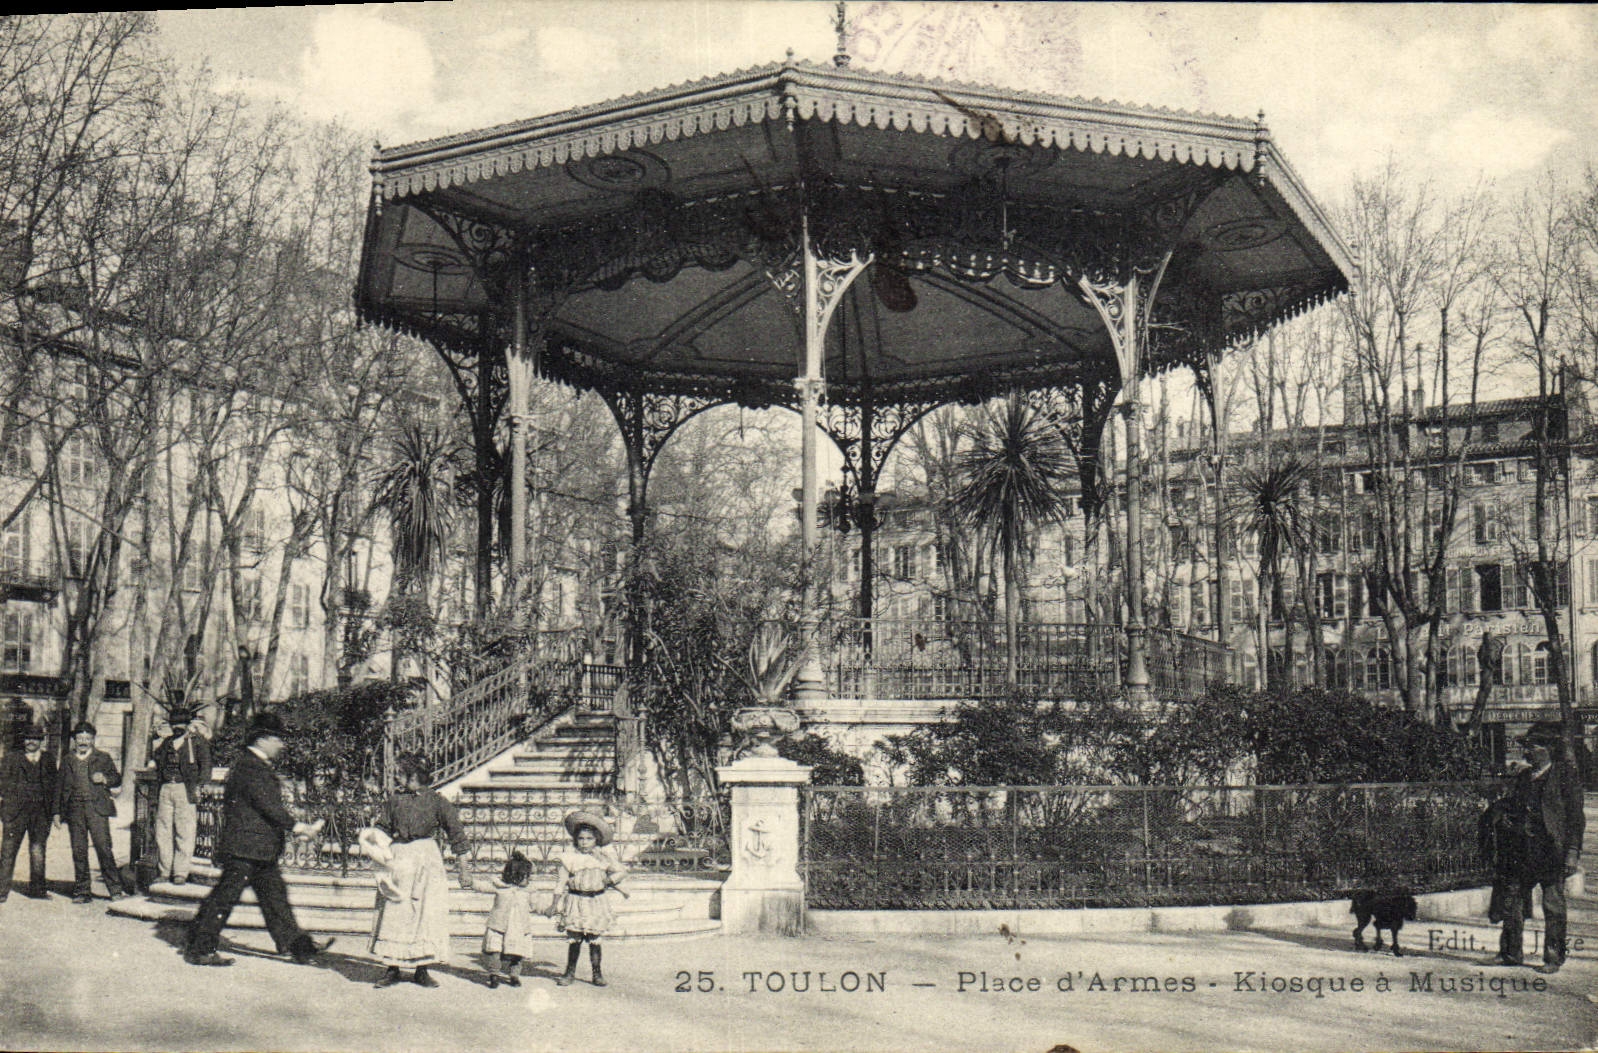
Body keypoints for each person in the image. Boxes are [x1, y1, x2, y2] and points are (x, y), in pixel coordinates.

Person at [183, 711, 333, 968]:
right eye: (278, 738)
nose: (282, 744)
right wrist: (299, 827)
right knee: (225, 898)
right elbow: (268, 805)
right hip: (246, 848)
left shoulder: (251, 765)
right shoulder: (251, 767)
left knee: (274, 898)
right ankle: (201, 948)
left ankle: (298, 946)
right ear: (263, 739)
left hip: (256, 848)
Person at [1486, 723, 1586, 974]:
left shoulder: (1565, 778)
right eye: (1526, 748)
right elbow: (1512, 807)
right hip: (1521, 851)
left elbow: (1576, 818)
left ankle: (1553, 958)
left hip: (1551, 852)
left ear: (1549, 749)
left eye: (1533, 747)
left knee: (1552, 905)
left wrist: (1572, 852)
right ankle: (1510, 953)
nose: (1527, 753)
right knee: (1513, 902)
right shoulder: (1523, 777)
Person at [368, 752, 472, 989]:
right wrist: (374, 843)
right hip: (399, 859)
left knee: (425, 913)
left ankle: (421, 970)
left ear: (413, 775)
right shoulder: (395, 800)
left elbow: (456, 833)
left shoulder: (437, 801)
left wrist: (464, 868)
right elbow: (382, 828)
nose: (396, 776)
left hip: (427, 860)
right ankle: (392, 968)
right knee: (396, 911)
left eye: (400, 773)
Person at [549, 810, 626, 987]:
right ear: (575, 840)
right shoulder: (568, 859)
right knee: (575, 939)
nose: (584, 843)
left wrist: (609, 879)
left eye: (589, 839)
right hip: (576, 901)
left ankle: (597, 973)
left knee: (594, 939)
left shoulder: (603, 859)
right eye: (581, 838)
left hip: (595, 902)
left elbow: (622, 871)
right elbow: (560, 883)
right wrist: (554, 904)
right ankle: (569, 973)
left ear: (596, 840)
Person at [54, 721, 128, 903]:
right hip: (74, 810)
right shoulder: (67, 760)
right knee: (79, 850)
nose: (83, 741)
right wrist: (56, 812)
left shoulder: (103, 758)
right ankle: (82, 891)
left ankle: (115, 890)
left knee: (104, 848)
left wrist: (104, 779)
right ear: (74, 740)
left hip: (97, 809)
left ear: (93, 740)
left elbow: (117, 779)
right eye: (80, 738)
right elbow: (58, 787)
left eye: (87, 738)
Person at [148, 706, 213, 885]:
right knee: (163, 831)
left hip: (185, 789)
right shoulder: (167, 742)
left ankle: (180, 872)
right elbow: (155, 756)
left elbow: (206, 764)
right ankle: (164, 870)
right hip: (166, 788)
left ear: (187, 724)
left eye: (181, 724)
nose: (177, 728)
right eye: (174, 724)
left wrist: (202, 785)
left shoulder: (197, 742)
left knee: (185, 831)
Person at [0, 725, 57, 902]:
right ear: (23, 740)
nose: (31, 742)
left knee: (38, 849)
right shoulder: (11, 758)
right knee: (8, 851)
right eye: (28, 738)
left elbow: (54, 785)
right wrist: (12, 798)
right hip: (15, 813)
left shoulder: (48, 759)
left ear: (41, 741)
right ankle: (2, 891)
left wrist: (54, 812)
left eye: (35, 738)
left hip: (41, 813)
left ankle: (37, 889)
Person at [469, 849, 538, 989]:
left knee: (518, 954)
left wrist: (552, 909)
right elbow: (482, 887)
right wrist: (470, 882)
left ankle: (514, 975)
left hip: (519, 928)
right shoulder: (500, 887)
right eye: (526, 876)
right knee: (494, 950)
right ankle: (494, 974)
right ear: (514, 876)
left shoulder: (528, 891)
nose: (528, 879)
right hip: (498, 926)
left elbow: (537, 904)